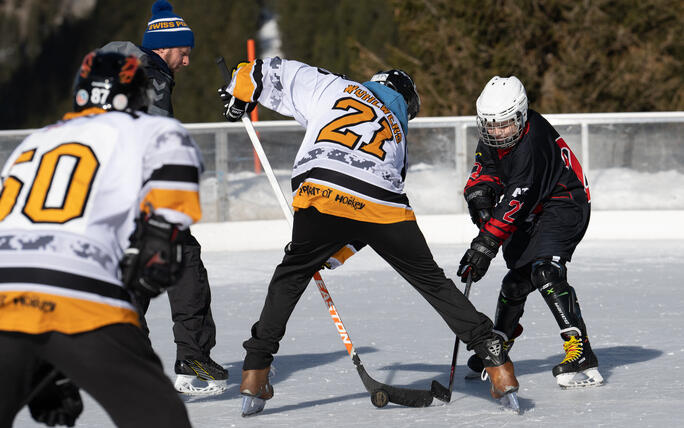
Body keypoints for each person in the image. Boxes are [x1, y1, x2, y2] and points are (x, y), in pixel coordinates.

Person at [217, 58, 520, 416]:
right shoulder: (397, 128)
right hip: (381, 202)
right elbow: (368, 215)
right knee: (432, 282)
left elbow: (265, 70)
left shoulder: (334, 86)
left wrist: (241, 93)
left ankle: (255, 372)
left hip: (323, 191)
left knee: (291, 275)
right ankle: (495, 360)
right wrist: (338, 251)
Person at [0, 51, 197, 427]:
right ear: (138, 95)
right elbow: (176, 174)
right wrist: (162, 237)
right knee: (161, 419)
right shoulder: (146, 127)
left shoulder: (33, 141)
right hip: (79, 291)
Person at [100, 0, 227, 394]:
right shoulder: (152, 75)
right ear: (166, 46)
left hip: (109, 194)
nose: (186, 62)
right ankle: (191, 360)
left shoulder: (116, 73)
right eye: (185, 52)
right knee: (183, 262)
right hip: (143, 193)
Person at [457, 75, 603, 388]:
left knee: (545, 272)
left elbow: (513, 203)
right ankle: (500, 344)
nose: (497, 133)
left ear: (521, 117)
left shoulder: (529, 145)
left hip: (565, 201)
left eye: (504, 125)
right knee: (515, 283)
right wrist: (479, 195)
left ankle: (580, 349)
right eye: (490, 126)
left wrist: (484, 245)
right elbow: (485, 170)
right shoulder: (498, 133)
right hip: (533, 207)